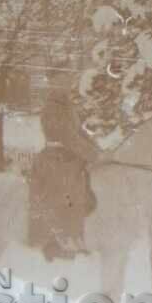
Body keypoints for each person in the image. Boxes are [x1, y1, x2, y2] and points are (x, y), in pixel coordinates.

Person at [29, 68, 107, 260]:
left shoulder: (67, 105)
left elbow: (79, 132)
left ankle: (78, 234)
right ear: (51, 83)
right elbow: (67, 136)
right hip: (54, 156)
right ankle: (59, 239)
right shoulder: (52, 107)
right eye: (59, 80)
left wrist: (98, 150)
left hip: (69, 155)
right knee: (67, 190)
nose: (65, 84)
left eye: (67, 80)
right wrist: (92, 155)